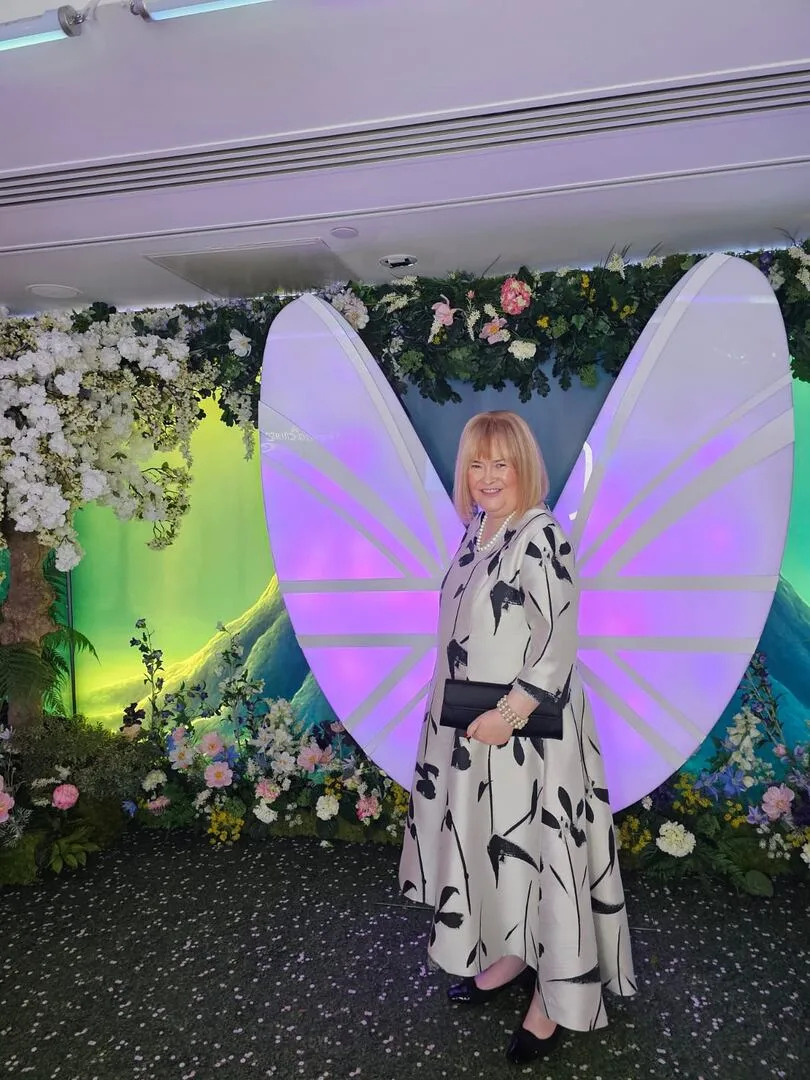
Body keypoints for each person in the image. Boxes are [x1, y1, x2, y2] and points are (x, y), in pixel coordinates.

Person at [399, 410, 636, 1065]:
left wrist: (511, 712)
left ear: (524, 467)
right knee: (495, 849)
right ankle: (508, 955)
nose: (487, 476)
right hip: (476, 732)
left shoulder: (541, 534)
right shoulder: (478, 530)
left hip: (528, 737)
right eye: (476, 464)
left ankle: (553, 998)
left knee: (541, 852)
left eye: (500, 463)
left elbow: (557, 641)